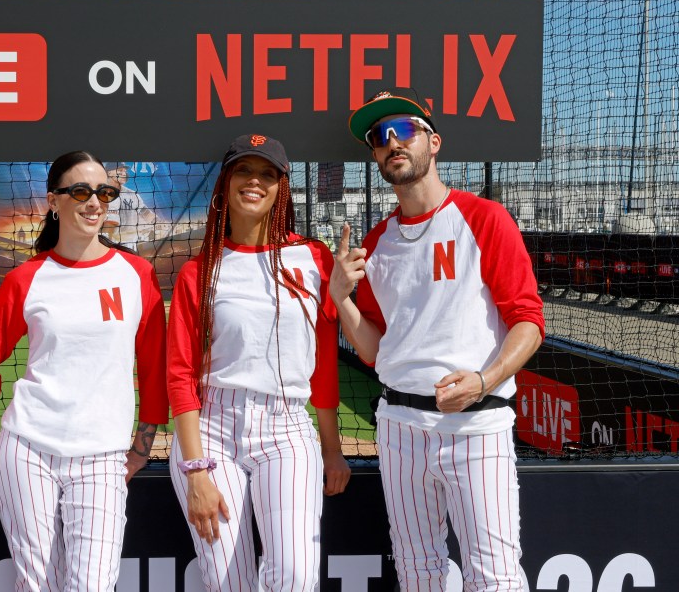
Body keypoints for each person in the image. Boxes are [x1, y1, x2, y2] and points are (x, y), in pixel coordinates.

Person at [332, 89, 545, 591]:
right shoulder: (377, 240)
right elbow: (372, 349)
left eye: (402, 130)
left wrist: (484, 378)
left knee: (494, 576)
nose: (391, 143)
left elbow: (529, 322)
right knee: (417, 572)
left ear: (434, 142)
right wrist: (341, 298)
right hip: (400, 425)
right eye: (379, 138)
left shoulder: (484, 217)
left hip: (476, 422)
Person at [167, 134, 350, 591]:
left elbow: (323, 362)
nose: (255, 181)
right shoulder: (199, 270)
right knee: (229, 582)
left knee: (295, 576)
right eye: (244, 171)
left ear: (281, 187)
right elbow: (181, 376)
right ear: (226, 183)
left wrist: (332, 449)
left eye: (268, 173)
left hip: (286, 427)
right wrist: (195, 471)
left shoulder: (314, 258)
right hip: (211, 429)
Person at [0, 151, 168, 591]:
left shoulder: (136, 273)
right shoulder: (26, 278)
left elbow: (154, 364)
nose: (95, 203)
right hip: (27, 452)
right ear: (54, 201)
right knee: (36, 585)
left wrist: (142, 446)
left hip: (103, 456)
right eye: (81, 191)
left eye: (104, 192)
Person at [103, 162, 158, 250]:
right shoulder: (101, 194)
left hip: (130, 245)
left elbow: (144, 212)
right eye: (120, 170)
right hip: (108, 244)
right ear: (109, 173)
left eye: (125, 171)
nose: (124, 173)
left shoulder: (132, 194)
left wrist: (157, 222)